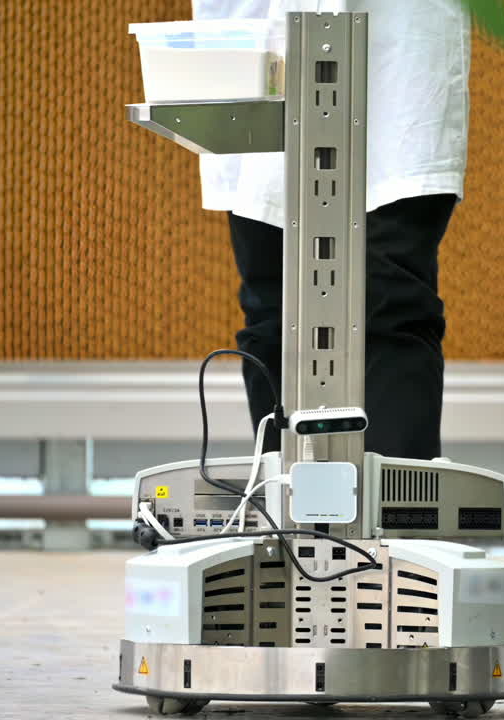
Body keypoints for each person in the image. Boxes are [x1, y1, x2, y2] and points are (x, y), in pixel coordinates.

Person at [192, 0, 470, 460]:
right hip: (260, 34)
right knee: (274, 303)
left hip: (398, 47)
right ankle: (281, 498)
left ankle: (394, 500)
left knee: (391, 295)